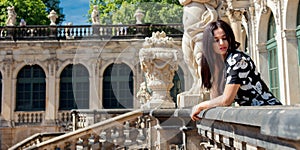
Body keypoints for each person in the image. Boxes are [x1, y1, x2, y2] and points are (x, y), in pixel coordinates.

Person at [191, 20, 282, 121]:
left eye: (224, 38)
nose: (222, 43)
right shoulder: (222, 63)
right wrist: (216, 68)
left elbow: (226, 100)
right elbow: (216, 97)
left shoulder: (238, 60)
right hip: (256, 116)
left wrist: (200, 106)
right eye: (216, 40)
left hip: (269, 114)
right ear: (209, 44)